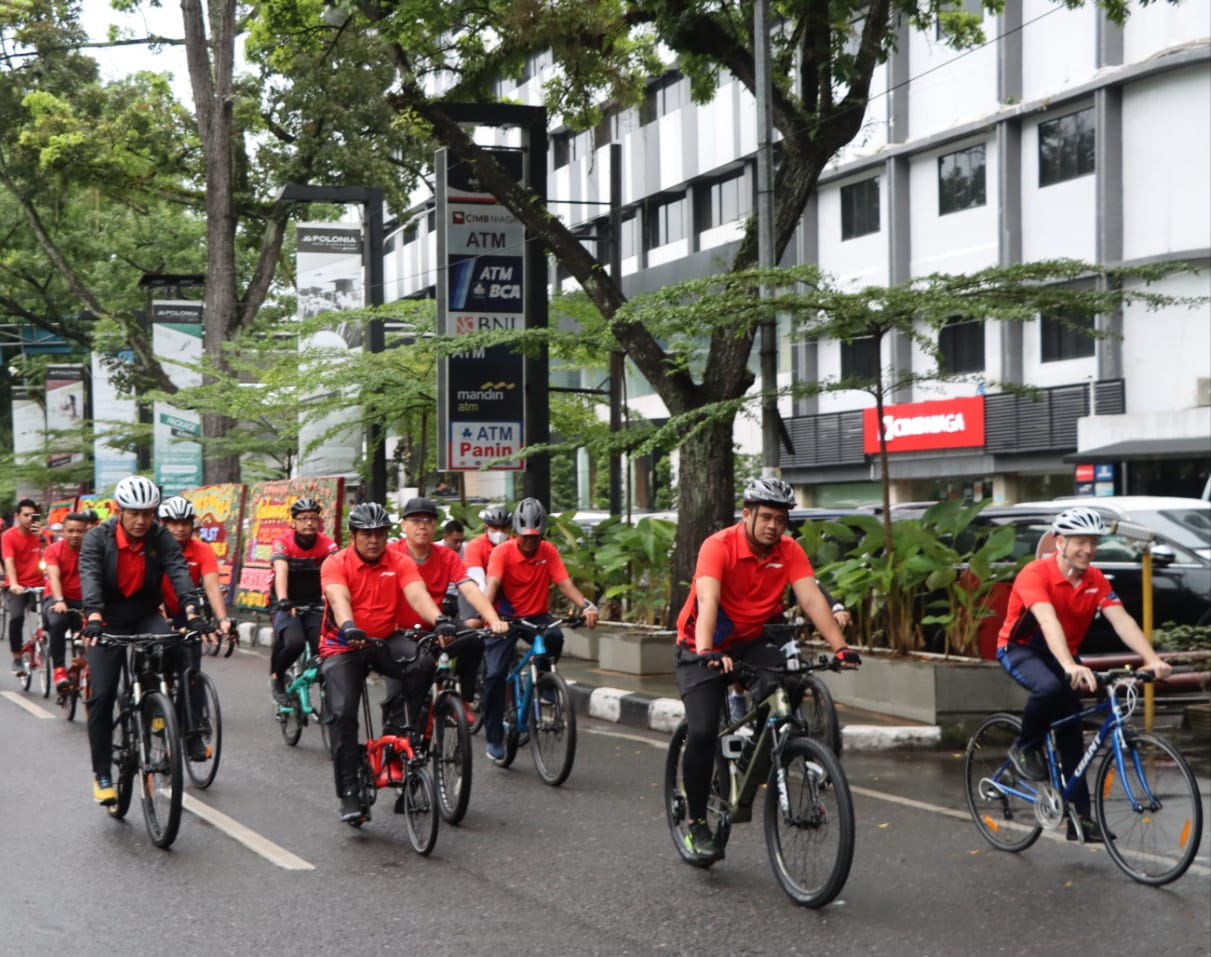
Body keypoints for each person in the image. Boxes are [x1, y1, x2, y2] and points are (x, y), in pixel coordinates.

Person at [674, 477, 860, 861]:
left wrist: (840, 648)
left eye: (781, 519)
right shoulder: (718, 546)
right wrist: (707, 649)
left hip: (749, 641)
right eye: (767, 517)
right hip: (700, 644)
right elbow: (708, 600)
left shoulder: (788, 550)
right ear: (747, 514)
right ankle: (695, 823)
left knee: (789, 684)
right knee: (704, 730)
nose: (774, 525)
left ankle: (750, 760)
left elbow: (810, 597)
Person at [996, 505, 1172, 842]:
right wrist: (1069, 666)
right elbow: (1047, 620)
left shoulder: (1095, 579)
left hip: (1064, 654)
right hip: (1021, 650)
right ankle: (1023, 747)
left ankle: (1083, 818)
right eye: (1080, 541)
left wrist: (1152, 659)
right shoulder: (1035, 574)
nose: (1088, 550)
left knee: (1072, 734)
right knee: (1048, 688)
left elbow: (1121, 620)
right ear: (1059, 541)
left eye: (1093, 542)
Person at [79, 476, 206, 805]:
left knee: (173, 645)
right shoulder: (97, 538)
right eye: (134, 513)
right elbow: (90, 575)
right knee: (103, 694)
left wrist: (192, 610)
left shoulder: (160, 537)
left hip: (144, 612)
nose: (141, 521)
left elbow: (178, 569)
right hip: (105, 619)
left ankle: (155, 703)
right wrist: (92, 615)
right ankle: (103, 773)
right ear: (118, 510)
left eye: (148, 513)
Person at [319, 502, 447, 822]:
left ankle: (397, 731)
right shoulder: (336, 563)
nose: (374, 540)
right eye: (366, 535)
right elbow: (339, 598)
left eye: (379, 534)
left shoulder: (399, 561)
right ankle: (349, 791)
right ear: (353, 536)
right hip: (343, 644)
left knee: (423, 662)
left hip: (383, 640)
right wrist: (348, 626)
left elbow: (417, 594)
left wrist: (440, 619)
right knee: (342, 713)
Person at [481, 498, 599, 764]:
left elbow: (565, 583)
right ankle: (494, 736)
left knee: (555, 635)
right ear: (516, 533)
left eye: (535, 538)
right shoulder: (502, 552)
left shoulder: (548, 551)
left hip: (537, 616)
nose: (530, 543)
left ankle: (545, 681)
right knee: (496, 674)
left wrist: (587, 605)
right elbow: (493, 583)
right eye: (525, 538)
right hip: (505, 618)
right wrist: (487, 616)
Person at [391, 498, 507, 718]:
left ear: (435, 527)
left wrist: (493, 619)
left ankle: (463, 698)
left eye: (428, 520)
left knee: (473, 638)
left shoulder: (447, 556)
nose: (422, 526)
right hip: (399, 633)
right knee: (398, 702)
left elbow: (469, 588)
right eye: (416, 520)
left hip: (436, 625)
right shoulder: (391, 554)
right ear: (404, 525)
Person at [268, 497, 337, 704]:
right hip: (286, 601)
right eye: (303, 518)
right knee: (295, 642)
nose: (309, 523)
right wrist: (283, 599)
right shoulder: (283, 542)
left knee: (324, 647)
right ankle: (277, 678)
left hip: (315, 602)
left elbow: (335, 571)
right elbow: (281, 571)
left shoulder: (327, 544)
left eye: (313, 518)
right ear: (293, 522)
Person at [43, 511, 88, 692]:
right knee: (57, 622)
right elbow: (53, 576)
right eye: (70, 531)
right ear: (63, 532)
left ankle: (86, 664)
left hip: (84, 600)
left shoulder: (92, 550)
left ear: (86, 532)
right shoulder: (53, 550)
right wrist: (60, 600)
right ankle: (59, 670)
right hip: (57, 597)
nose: (75, 535)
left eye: (79, 531)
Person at [3, 499, 45, 675]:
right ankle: (17, 657)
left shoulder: (42, 534)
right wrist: (13, 583)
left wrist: (42, 537)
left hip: (41, 585)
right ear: (17, 516)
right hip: (17, 587)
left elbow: (52, 557)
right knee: (17, 617)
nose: (29, 519)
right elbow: (9, 563)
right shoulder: (7, 536)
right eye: (25, 515)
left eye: (32, 515)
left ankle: (39, 640)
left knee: (54, 615)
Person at [461, 505, 513, 624]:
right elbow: (478, 580)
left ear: (510, 529)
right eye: (494, 528)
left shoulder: (515, 545)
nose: (499, 532)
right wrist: (486, 611)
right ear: (486, 528)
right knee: (474, 624)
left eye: (503, 528)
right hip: (477, 590)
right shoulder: (474, 546)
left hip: (505, 593)